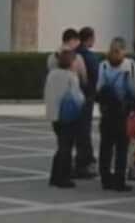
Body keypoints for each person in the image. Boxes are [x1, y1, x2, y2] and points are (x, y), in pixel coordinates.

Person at [97, 37, 135, 190]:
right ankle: (119, 180)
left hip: (107, 112)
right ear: (123, 49)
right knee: (122, 148)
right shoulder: (129, 65)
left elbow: (99, 87)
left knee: (106, 147)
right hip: (122, 112)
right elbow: (134, 87)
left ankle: (105, 179)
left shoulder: (103, 65)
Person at [44, 50, 86, 188]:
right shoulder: (71, 77)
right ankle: (64, 177)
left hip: (54, 114)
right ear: (71, 62)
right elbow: (77, 97)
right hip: (67, 116)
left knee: (61, 145)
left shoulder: (52, 74)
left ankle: (55, 175)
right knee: (66, 147)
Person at [74, 27, 101, 178]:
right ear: (89, 39)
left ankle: (82, 160)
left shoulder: (74, 54)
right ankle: (83, 163)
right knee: (85, 130)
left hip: (74, 96)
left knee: (78, 131)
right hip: (87, 96)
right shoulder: (90, 58)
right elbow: (96, 78)